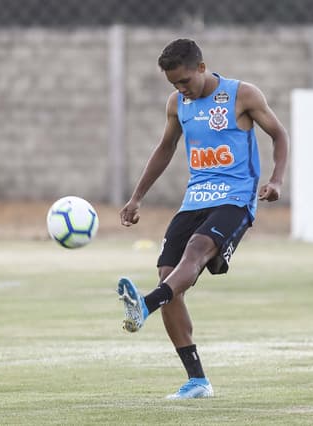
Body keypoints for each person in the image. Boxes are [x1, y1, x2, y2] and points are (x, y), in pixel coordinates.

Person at [117, 38, 288, 399]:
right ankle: (197, 381)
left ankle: (144, 305)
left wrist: (275, 180)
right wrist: (136, 197)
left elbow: (279, 134)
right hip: (195, 199)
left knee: (195, 250)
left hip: (236, 198)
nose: (181, 89)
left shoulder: (242, 95)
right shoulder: (177, 103)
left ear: (200, 67)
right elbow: (165, 149)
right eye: (174, 85)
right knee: (169, 279)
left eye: (185, 82)